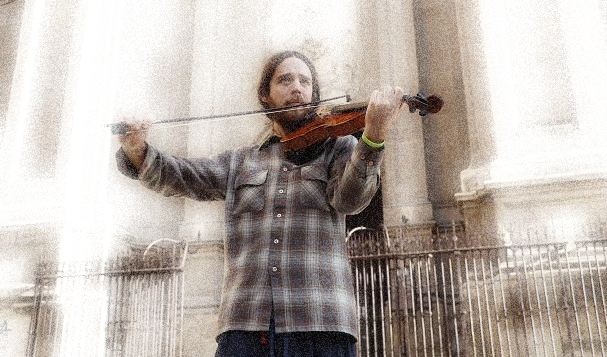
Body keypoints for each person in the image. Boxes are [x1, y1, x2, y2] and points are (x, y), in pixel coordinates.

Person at [116, 50, 405, 357]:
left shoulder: (340, 147)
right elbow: (184, 175)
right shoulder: (240, 161)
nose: (296, 87)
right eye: (285, 80)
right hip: (246, 325)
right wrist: (137, 150)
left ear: (314, 94)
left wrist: (373, 136)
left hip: (321, 322)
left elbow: (350, 200)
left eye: (304, 81)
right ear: (265, 96)